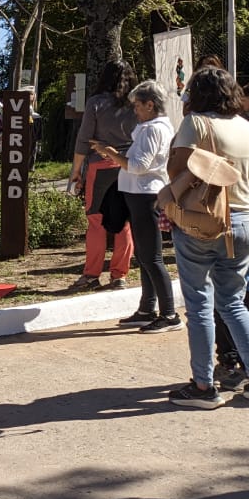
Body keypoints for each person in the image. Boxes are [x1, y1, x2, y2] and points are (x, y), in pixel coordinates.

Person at [166, 67, 249, 409]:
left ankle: (203, 386)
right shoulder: (248, 128)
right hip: (244, 221)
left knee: (200, 304)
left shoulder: (196, 123)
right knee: (233, 302)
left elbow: (177, 170)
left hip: (203, 221)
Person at [90, 81, 178, 333]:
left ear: (150, 105)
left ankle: (170, 314)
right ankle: (147, 308)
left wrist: (111, 153)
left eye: (138, 105)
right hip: (138, 193)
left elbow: (139, 165)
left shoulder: (152, 129)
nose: (135, 111)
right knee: (144, 256)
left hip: (146, 194)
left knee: (152, 257)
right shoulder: (150, 127)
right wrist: (114, 154)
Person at [68, 60, 137, 291]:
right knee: (124, 222)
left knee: (96, 221)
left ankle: (91, 275)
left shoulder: (96, 102)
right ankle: (119, 275)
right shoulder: (136, 103)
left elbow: (84, 139)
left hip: (100, 166)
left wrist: (76, 171)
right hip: (128, 166)